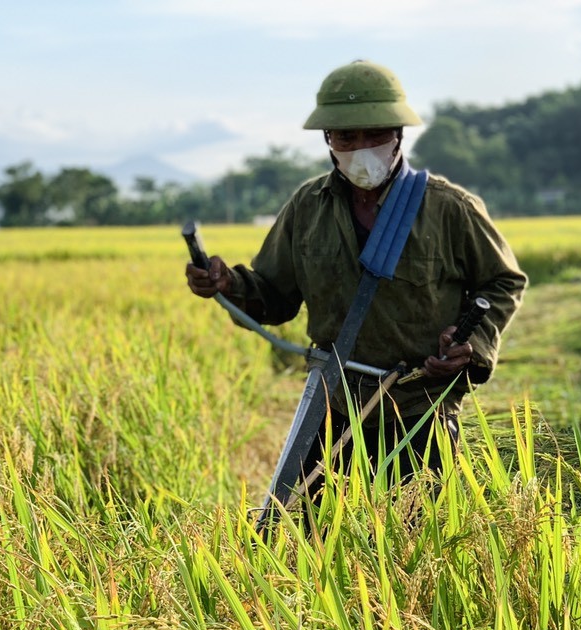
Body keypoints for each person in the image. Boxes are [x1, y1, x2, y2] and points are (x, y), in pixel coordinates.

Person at [186, 60, 527, 492]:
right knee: (300, 539)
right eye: (347, 135)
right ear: (328, 139)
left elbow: (503, 282)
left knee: (417, 546)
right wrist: (228, 285)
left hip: (418, 404)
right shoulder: (307, 207)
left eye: (375, 133)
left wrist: (469, 344)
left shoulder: (448, 208)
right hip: (332, 403)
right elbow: (273, 296)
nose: (361, 146)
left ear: (399, 134)